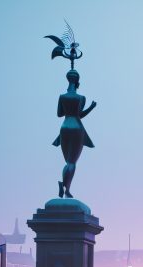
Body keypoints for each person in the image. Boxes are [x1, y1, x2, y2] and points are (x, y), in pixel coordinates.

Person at [52, 69, 96, 198]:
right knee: (72, 162)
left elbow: (60, 114)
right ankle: (66, 188)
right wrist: (91, 108)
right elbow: (79, 115)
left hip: (65, 127)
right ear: (77, 83)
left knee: (68, 162)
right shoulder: (81, 98)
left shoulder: (62, 97)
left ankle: (65, 187)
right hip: (77, 127)